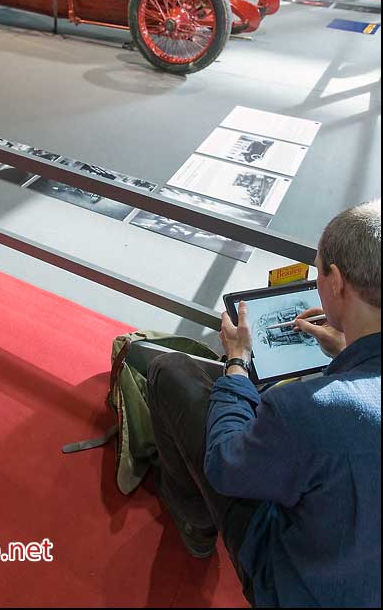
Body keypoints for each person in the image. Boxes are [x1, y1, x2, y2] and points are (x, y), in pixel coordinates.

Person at [148, 200, 381, 608]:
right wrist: (348, 350)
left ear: (338, 282)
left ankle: (194, 523)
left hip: (300, 587)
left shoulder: (307, 409)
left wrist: (237, 363)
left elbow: (225, 463)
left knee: (169, 371)